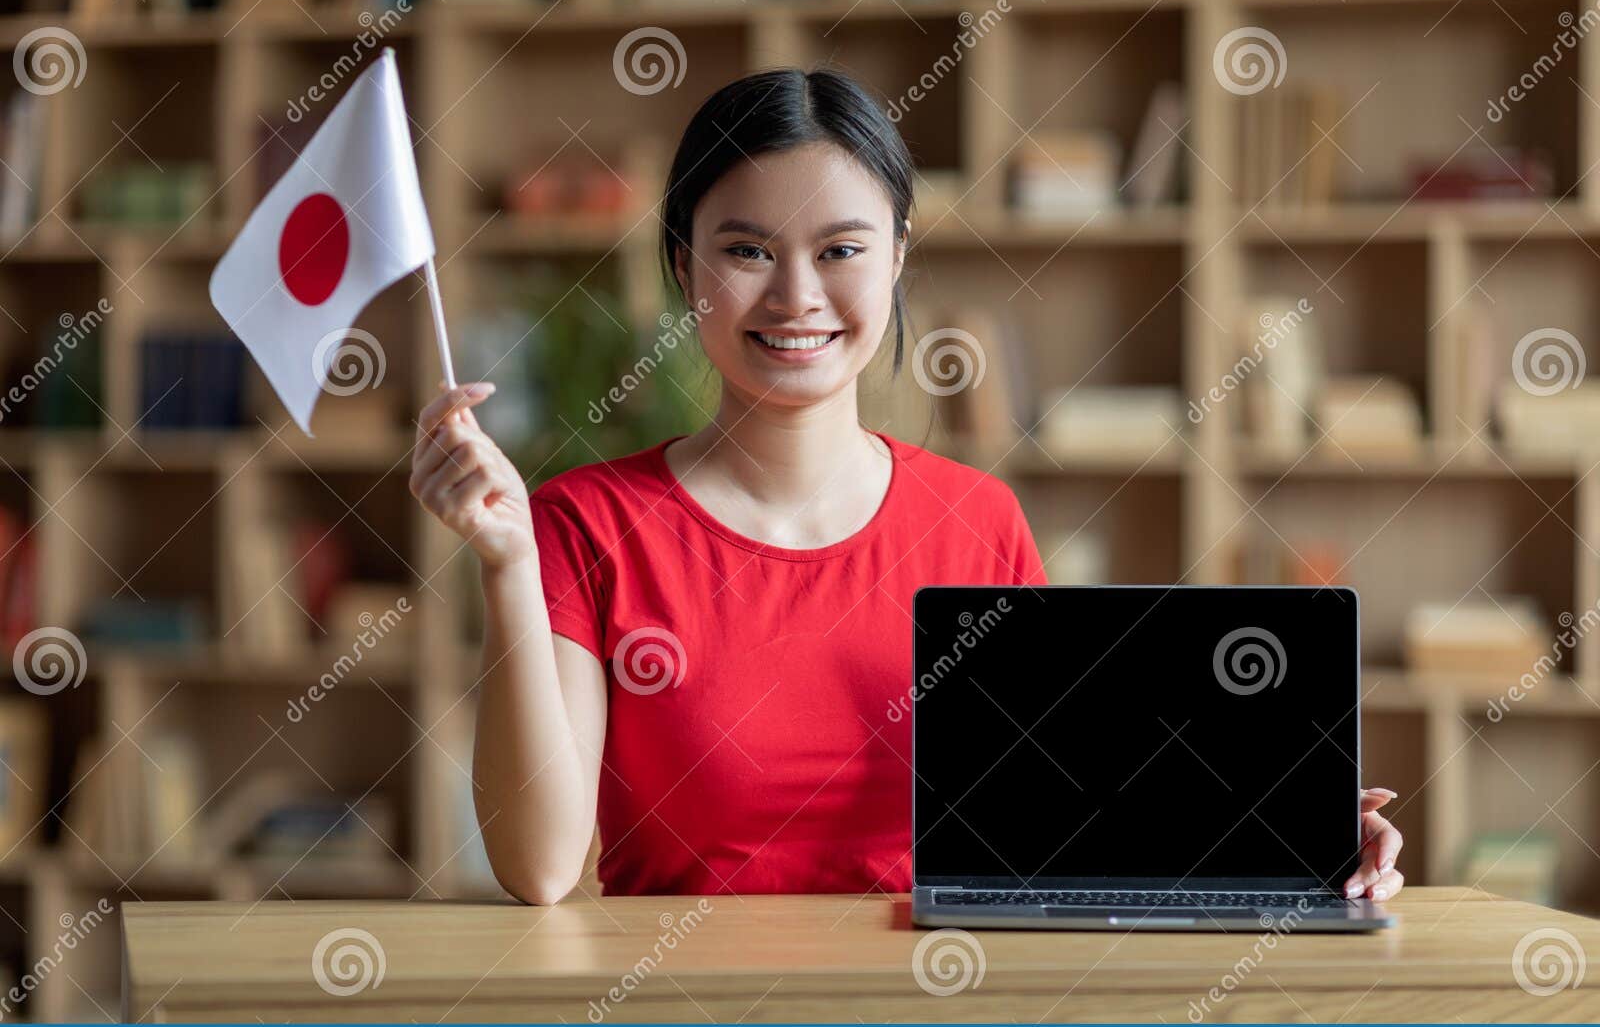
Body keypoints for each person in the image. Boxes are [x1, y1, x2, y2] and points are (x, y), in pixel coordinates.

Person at [409, 67, 1405, 906]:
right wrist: (505, 565)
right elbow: (539, 870)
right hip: (688, 1026)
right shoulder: (585, 524)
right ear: (685, 268)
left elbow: (1061, 820)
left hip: (940, 1020)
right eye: (746, 249)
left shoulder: (978, 521)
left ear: (896, 261)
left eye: (840, 249)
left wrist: (1287, 827)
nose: (795, 296)